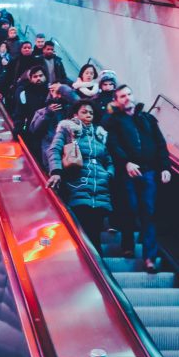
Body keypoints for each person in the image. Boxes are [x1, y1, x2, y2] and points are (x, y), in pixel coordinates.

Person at [105, 84, 172, 273]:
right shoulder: (113, 121)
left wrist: (165, 167)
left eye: (128, 94)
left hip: (149, 171)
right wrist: (126, 162)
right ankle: (127, 245)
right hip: (128, 172)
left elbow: (160, 144)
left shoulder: (147, 118)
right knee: (130, 207)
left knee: (148, 212)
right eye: (122, 96)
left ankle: (150, 258)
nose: (126, 98)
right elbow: (113, 144)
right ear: (116, 101)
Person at [46, 102, 114, 252]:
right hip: (77, 185)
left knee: (95, 232)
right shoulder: (68, 130)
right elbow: (54, 150)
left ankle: (97, 269)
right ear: (75, 114)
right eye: (84, 112)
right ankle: (90, 265)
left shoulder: (99, 135)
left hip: (100, 188)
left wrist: (109, 173)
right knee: (81, 230)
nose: (88, 115)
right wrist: (56, 172)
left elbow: (108, 159)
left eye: (91, 113)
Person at [29, 82, 79, 170]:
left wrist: (63, 88)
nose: (57, 95)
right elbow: (34, 130)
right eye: (52, 91)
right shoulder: (42, 112)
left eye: (61, 91)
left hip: (72, 155)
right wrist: (48, 113)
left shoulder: (73, 110)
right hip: (50, 156)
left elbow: (80, 103)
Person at [11, 65, 49, 151]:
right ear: (31, 79)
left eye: (41, 76)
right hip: (32, 132)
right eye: (35, 77)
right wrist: (18, 129)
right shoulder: (25, 93)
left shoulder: (51, 92)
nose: (38, 78)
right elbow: (19, 113)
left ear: (45, 77)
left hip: (49, 133)